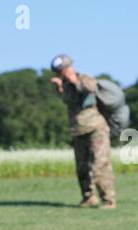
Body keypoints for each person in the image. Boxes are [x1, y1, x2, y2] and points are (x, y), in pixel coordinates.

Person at [50, 54, 116, 209]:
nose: (62, 74)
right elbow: (70, 101)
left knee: (100, 165)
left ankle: (108, 199)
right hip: (78, 131)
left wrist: (74, 80)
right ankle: (88, 197)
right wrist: (60, 87)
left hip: (95, 129)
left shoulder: (85, 78)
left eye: (63, 70)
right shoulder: (65, 85)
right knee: (82, 167)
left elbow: (90, 88)